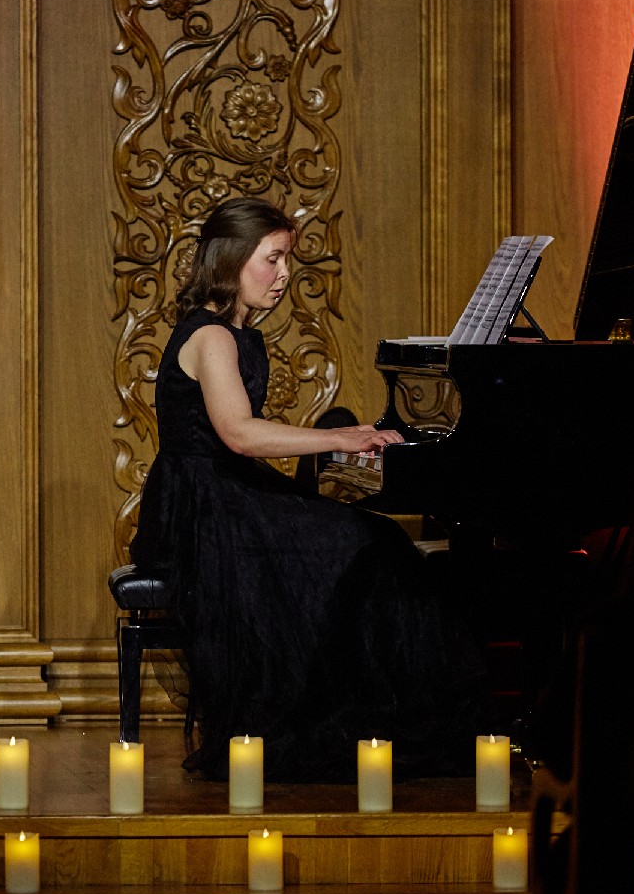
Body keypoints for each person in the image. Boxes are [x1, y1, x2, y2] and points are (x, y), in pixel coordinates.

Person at [129, 196, 482, 782]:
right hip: (209, 509)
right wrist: (342, 437)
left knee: (370, 541)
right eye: (272, 259)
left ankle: (367, 712)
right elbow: (239, 434)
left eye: (286, 259)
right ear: (230, 260)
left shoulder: (235, 334)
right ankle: (367, 718)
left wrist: (344, 439)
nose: (284, 274)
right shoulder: (213, 337)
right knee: (371, 546)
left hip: (224, 494)